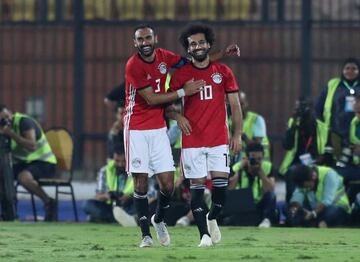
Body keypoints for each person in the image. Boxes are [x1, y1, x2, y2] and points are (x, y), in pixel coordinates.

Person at [124, 24, 240, 248]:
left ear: (155, 38)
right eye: (141, 39)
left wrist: (223, 54)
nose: (145, 42)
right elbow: (152, 99)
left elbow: (198, 62)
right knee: (140, 180)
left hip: (160, 128)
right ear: (135, 43)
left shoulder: (165, 57)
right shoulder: (133, 66)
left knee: (168, 185)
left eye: (148, 38)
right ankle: (147, 235)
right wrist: (180, 103)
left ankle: (160, 219)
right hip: (137, 127)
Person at [169, 23, 242, 247]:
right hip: (192, 142)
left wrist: (237, 134)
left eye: (201, 42)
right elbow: (165, 106)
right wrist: (178, 117)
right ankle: (204, 236)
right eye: (193, 44)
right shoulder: (180, 75)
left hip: (219, 140)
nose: (198, 46)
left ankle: (211, 218)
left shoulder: (224, 72)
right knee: (197, 192)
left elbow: (236, 106)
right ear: (188, 49)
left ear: (209, 44)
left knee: (220, 196)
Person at [0, 105, 57, 221]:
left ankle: (49, 202)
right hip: (25, 164)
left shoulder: (24, 122)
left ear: (10, 113)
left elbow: (32, 145)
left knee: (24, 177)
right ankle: (9, 210)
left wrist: (11, 134)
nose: (6, 121)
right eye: (2, 120)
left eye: (6, 117)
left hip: (44, 162)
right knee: (3, 174)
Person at [279, 97, 330, 202]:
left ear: (311, 109)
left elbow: (326, 151)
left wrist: (321, 159)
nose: (300, 111)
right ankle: (292, 207)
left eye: (302, 108)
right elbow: (286, 145)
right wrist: (292, 126)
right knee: (292, 172)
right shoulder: (293, 123)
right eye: (297, 108)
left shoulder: (321, 127)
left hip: (316, 163)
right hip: (296, 163)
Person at [316, 58, 360, 159]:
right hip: (336, 131)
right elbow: (319, 106)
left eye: (354, 69)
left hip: (357, 132)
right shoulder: (333, 84)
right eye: (347, 68)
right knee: (337, 162)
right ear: (342, 70)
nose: (350, 71)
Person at [82, 146, 136, 226]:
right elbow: (98, 196)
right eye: (117, 161)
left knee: (143, 207)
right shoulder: (105, 171)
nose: (120, 164)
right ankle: (121, 219)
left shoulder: (136, 170)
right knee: (87, 204)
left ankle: (104, 219)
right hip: (110, 206)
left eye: (124, 161)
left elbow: (147, 195)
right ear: (111, 160)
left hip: (129, 205)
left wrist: (129, 196)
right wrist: (108, 195)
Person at [286, 164, 351, 228]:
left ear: (313, 177)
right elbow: (297, 196)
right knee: (287, 207)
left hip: (337, 207)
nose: (306, 188)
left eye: (307, 186)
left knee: (331, 213)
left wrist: (313, 213)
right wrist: (295, 208)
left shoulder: (329, 175)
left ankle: (312, 223)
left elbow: (327, 201)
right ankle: (317, 223)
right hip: (315, 209)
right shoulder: (304, 177)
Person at [230, 143, 277, 228]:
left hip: (259, 202)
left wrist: (261, 173)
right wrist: (240, 169)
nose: (256, 161)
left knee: (272, 195)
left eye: (259, 159)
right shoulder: (237, 167)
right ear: (247, 158)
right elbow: (230, 190)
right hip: (243, 203)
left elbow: (270, 189)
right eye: (253, 158)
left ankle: (266, 220)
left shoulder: (267, 167)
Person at [336, 95, 360, 186]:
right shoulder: (353, 123)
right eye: (356, 112)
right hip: (353, 164)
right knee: (335, 175)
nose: (358, 116)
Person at [239, 91, 270, 160]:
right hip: (240, 160)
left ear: (246, 104)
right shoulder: (229, 120)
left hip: (260, 161)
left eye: (241, 104)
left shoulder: (257, 119)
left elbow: (257, 147)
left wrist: (243, 136)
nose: (239, 108)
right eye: (236, 105)